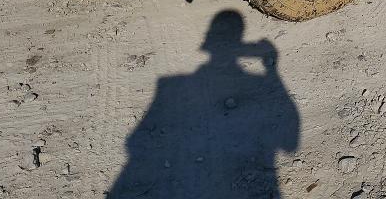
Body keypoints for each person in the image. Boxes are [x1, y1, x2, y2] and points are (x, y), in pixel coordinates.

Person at [110, 10, 300, 198]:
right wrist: (271, 71)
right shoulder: (257, 83)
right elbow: (290, 143)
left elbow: (133, 143)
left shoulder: (172, 86)